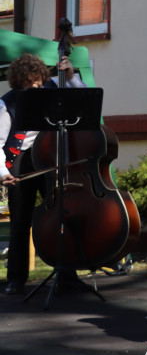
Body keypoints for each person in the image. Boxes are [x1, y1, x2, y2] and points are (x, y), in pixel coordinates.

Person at [1, 53, 86, 296]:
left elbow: (83, 100)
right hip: (22, 160)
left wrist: (71, 77)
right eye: (30, 85)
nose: (36, 89)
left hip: (52, 158)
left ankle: (67, 275)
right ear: (19, 83)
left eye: (38, 83)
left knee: (61, 215)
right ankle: (16, 279)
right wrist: (3, 172)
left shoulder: (55, 87)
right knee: (20, 220)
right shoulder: (7, 103)